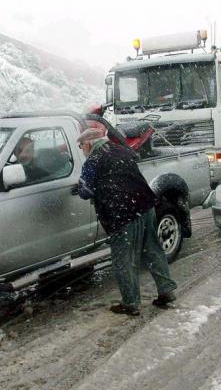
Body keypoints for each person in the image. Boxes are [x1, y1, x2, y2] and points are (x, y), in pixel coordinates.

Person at [77, 128, 177, 316]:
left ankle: (130, 303)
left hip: (122, 212)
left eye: (81, 145)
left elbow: (85, 192)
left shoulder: (94, 160)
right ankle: (166, 291)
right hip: (145, 205)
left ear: (89, 143)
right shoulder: (121, 150)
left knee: (123, 259)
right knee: (152, 249)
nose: (82, 149)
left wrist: (81, 186)